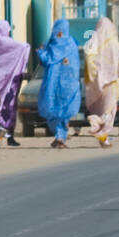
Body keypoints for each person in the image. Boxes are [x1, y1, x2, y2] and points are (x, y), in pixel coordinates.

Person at [37, 18, 81, 148]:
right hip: (69, 84)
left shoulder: (49, 45)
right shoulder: (72, 43)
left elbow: (44, 61)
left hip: (53, 84)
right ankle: (60, 136)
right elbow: (76, 64)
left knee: (53, 109)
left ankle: (59, 135)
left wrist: (40, 52)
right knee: (64, 110)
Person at [83, 16, 119, 148]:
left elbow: (88, 57)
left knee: (100, 108)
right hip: (111, 83)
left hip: (96, 82)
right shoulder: (113, 42)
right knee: (109, 111)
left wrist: (95, 74)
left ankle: (103, 137)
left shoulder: (93, 41)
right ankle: (97, 123)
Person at [0, 20, 30, 149]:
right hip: (7, 81)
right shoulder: (8, 43)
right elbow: (24, 47)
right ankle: (9, 137)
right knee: (9, 108)